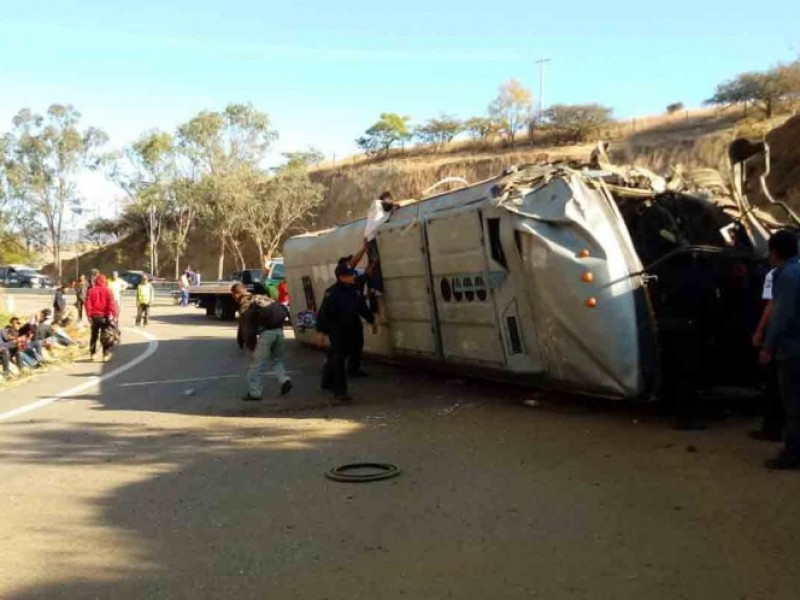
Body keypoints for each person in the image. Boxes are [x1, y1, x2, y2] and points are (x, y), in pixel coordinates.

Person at [760, 230, 800, 470]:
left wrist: (767, 346)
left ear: (774, 252)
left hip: (792, 349)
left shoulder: (785, 275)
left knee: (793, 404)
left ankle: (793, 454)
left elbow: (780, 315)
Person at [316, 262, 376, 401]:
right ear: (341, 277)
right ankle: (340, 391)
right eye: (349, 275)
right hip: (338, 328)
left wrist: (371, 320)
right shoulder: (332, 293)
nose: (352, 277)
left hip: (353, 326)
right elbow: (324, 313)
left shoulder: (355, 289)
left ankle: (326, 380)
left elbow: (361, 307)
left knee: (352, 351)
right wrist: (320, 332)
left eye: (352, 274)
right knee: (339, 358)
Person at [231, 282, 293, 400]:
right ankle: (284, 380)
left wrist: (252, 347)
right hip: (279, 331)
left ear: (237, 294)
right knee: (276, 360)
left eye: (233, 295)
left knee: (256, 365)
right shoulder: (262, 297)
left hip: (266, 334)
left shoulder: (246, 304)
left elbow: (248, 329)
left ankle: (254, 393)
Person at [751, 267, 785, 441]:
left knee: (775, 385)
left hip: (782, 340)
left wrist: (761, 331)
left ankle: (773, 428)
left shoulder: (776, 274)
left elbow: (771, 306)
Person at [363, 191, 396, 295]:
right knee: (375, 262)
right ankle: (375, 288)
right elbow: (381, 218)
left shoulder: (375, 206)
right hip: (371, 239)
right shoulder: (378, 208)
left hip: (367, 239)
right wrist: (393, 209)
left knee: (371, 263)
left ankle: (368, 286)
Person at [85, 274, 118, 362]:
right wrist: (114, 315)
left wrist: (88, 316)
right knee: (105, 336)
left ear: (96, 281)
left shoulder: (91, 291)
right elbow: (111, 304)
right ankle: (105, 354)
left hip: (94, 317)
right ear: (105, 281)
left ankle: (92, 353)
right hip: (104, 317)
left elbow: (88, 304)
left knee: (94, 335)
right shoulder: (108, 290)